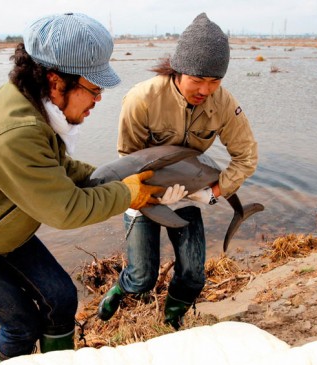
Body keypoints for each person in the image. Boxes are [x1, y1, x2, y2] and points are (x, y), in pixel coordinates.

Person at [0, 12, 164, 363]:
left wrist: (113, 177)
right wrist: (128, 193)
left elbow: (59, 169)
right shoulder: (15, 131)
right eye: (94, 89)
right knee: (22, 325)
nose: (98, 100)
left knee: (60, 297)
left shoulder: (31, 106)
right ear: (56, 82)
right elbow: (66, 209)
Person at [97, 13, 258, 329]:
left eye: (214, 81)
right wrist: (145, 197)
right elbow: (128, 162)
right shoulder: (142, 98)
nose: (205, 90)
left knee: (194, 275)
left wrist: (211, 193)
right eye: (197, 80)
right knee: (142, 277)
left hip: (188, 193)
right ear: (177, 69)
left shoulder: (223, 103)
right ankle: (120, 289)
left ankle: (172, 318)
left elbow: (246, 157)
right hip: (141, 191)